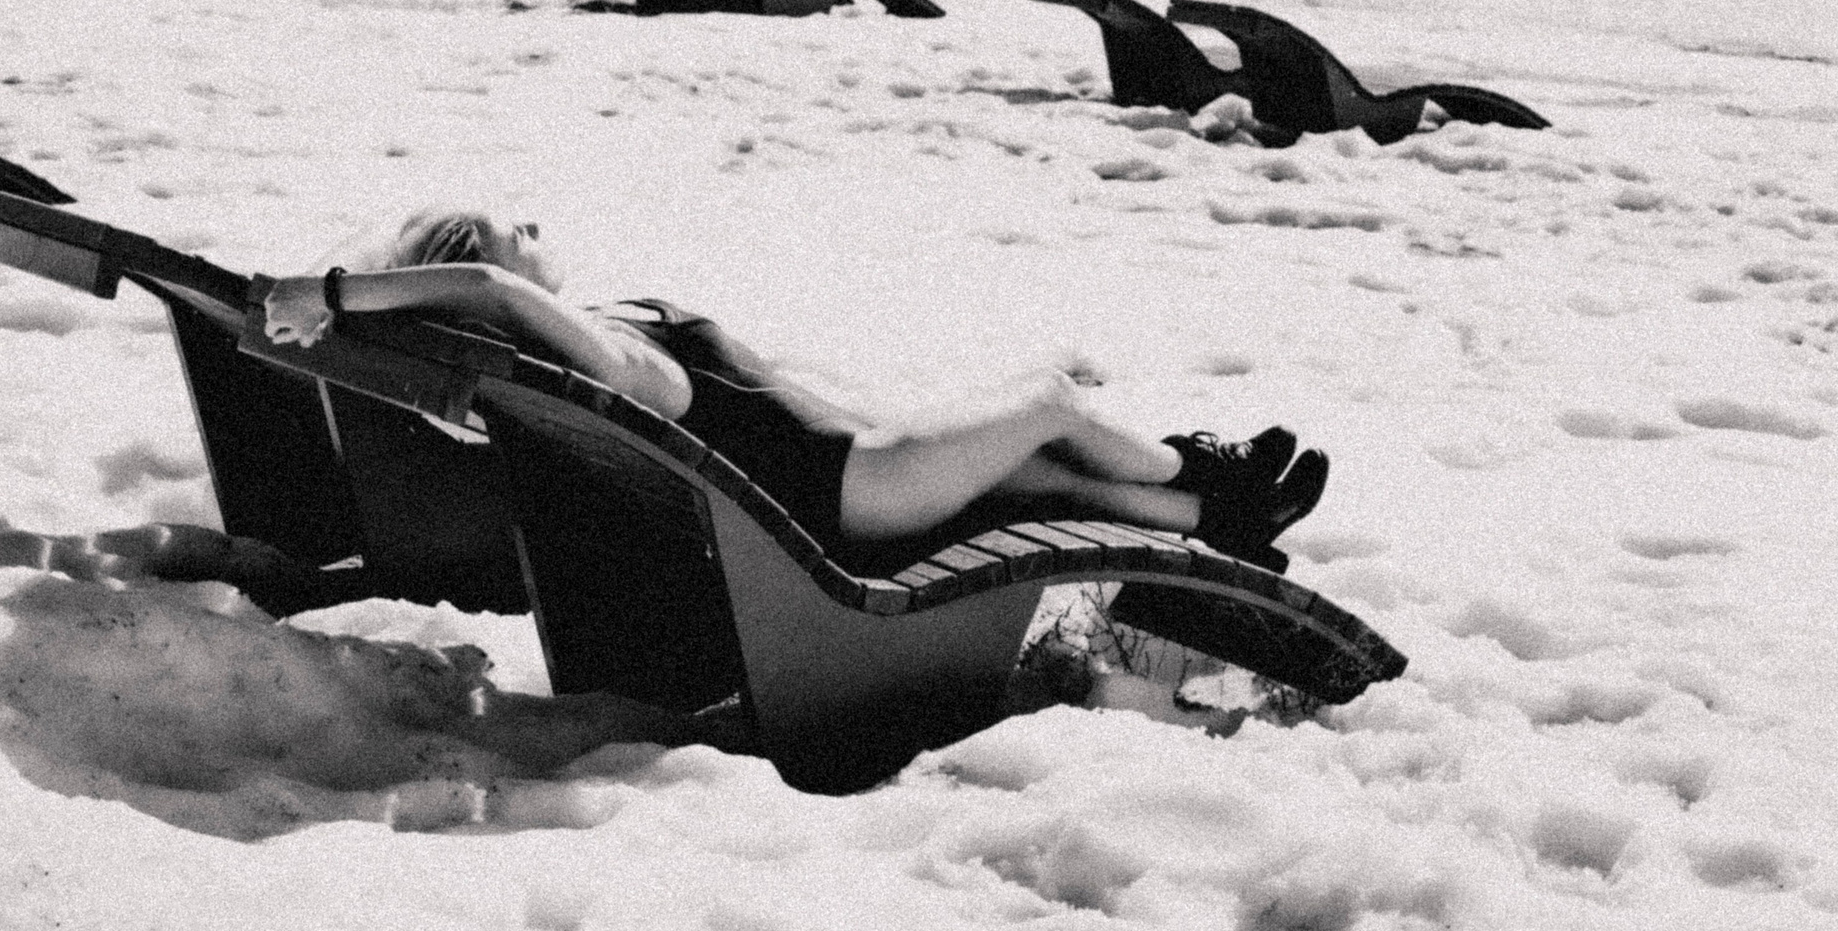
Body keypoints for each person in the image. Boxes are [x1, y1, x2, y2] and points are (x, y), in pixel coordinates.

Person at [260, 209, 1328, 572]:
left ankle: (1217, 519)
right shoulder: (617, 361)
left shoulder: (600, 338)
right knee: (1050, 401)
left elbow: (476, 281)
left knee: (1047, 472)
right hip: (852, 492)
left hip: (858, 465)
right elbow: (487, 286)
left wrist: (341, 296)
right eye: (515, 232)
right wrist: (336, 293)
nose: (535, 230)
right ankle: (1207, 467)